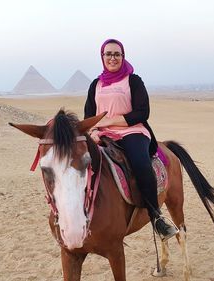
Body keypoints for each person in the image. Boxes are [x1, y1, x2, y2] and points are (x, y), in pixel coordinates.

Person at [84, 39, 178, 241]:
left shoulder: (133, 81)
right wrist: (92, 130)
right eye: (108, 54)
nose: (112, 58)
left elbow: (142, 112)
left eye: (117, 54)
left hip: (132, 131)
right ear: (102, 57)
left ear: (123, 56)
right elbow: (88, 114)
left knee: (140, 163)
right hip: (101, 133)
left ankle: (156, 216)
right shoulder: (96, 84)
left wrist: (110, 120)